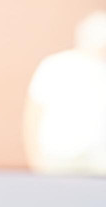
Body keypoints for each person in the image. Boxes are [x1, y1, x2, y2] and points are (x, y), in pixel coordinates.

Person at [24, 11, 106, 174]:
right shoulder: (56, 65)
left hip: (100, 160)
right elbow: (33, 113)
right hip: (60, 157)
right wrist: (34, 157)